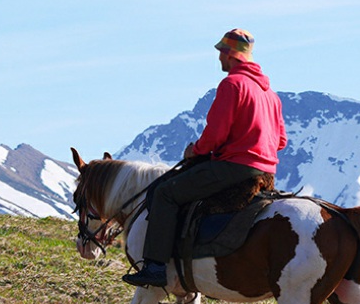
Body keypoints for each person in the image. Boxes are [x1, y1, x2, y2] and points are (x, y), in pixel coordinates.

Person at [123, 29, 288, 287]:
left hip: (235, 168)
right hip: (266, 173)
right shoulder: (270, 95)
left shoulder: (232, 85)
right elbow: (281, 141)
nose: (219, 58)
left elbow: (216, 134)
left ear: (229, 54)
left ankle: (155, 267)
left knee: (165, 193)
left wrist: (196, 151)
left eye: (221, 52)